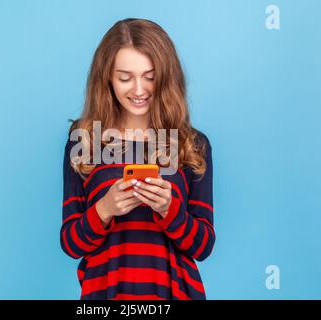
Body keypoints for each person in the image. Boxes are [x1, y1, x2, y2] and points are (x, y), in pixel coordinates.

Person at [60, 18, 215, 300]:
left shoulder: (193, 145)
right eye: (125, 77)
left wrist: (170, 210)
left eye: (150, 76)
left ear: (166, 76)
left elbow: (203, 247)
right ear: (106, 76)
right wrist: (104, 209)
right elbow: (71, 244)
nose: (139, 89)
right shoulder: (83, 138)